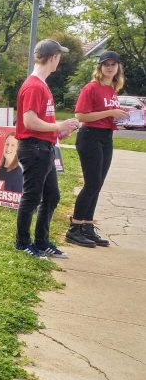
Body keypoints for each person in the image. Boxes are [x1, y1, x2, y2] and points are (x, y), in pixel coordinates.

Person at [14, 39, 79, 258]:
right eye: (59, 57)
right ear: (53, 58)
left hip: (44, 147)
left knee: (51, 196)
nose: (58, 61)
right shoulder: (34, 86)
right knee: (32, 197)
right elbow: (29, 121)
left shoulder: (41, 85)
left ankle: (42, 242)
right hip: (34, 148)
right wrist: (57, 125)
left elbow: (41, 122)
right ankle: (23, 242)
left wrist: (60, 130)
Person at [66, 51, 128, 247]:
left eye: (113, 64)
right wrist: (110, 112)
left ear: (118, 67)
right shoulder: (91, 88)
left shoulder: (112, 89)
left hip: (106, 137)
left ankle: (87, 225)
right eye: (105, 64)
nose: (109, 67)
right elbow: (81, 116)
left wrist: (118, 117)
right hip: (89, 136)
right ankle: (75, 227)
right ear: (100, 67)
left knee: (98, 184)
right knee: (92, 183)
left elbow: (104, 115)